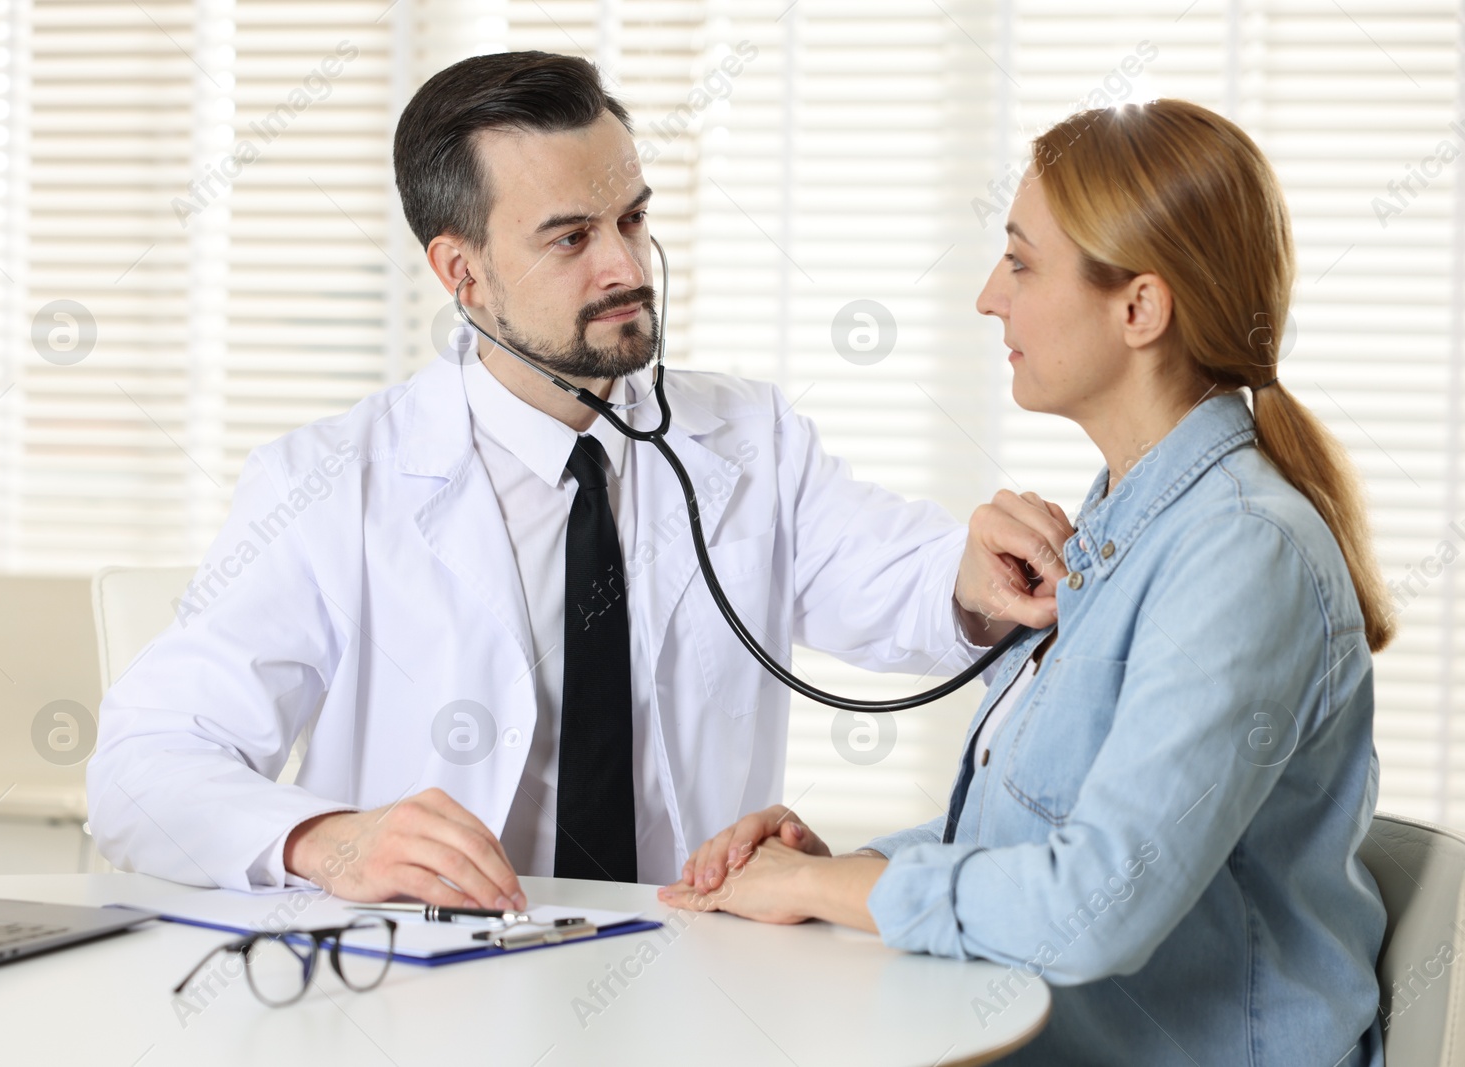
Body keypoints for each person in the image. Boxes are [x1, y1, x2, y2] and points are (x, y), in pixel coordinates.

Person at [85, 51, 1068, 907]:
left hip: (688, 966)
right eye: (570, 237)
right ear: (459, 273)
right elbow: (142, 769)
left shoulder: (749, 437)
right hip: (427, 991)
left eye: (632, 218)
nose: (624, 265)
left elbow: (897, 573)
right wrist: (332, 840)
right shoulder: (329, 481)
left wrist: (973, 575)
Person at [660, 99, 1392, 1066]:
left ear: (1139, 308)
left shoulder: (1242, 553)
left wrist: (820, 894)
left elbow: (1093, 903)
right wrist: (848, 866)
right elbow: (1029, 835)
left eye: (1021, 261)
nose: (987, 297)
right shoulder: (1132, 522)